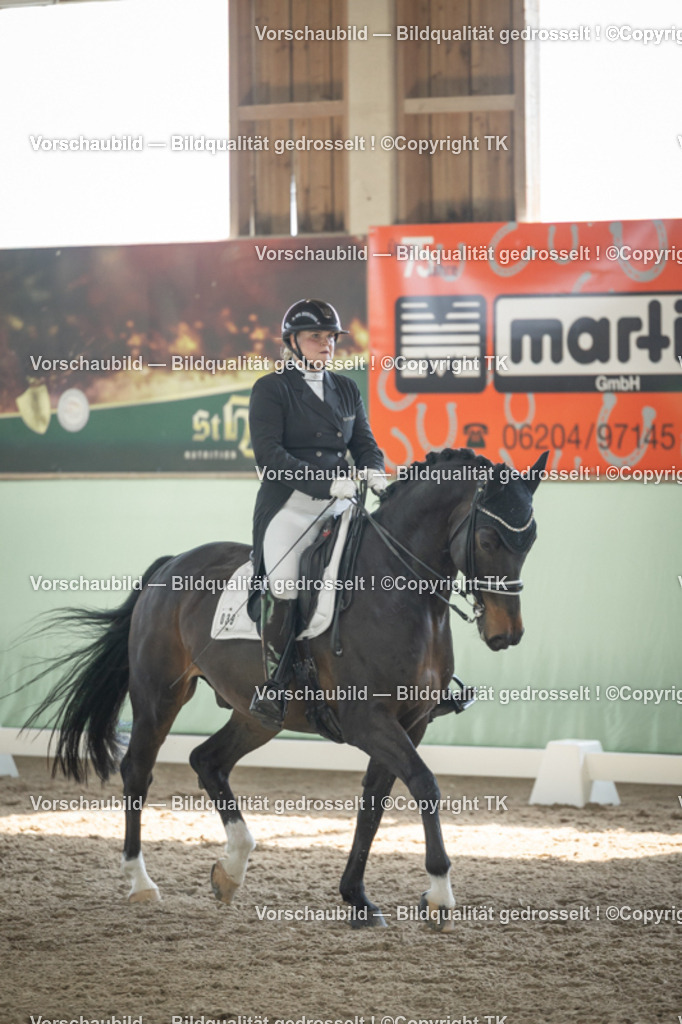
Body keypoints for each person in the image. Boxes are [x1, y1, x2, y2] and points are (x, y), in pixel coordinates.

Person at [247, 299, 386, 730]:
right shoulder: (272, 389)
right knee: (286, 582)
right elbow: (270, 456)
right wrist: (326, 483)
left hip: (341, 502)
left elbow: (364, 443)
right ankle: (276, 682)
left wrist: (376, 473)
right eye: (315, 337)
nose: (326, 345)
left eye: (330, 338)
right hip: (290, 506)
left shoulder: (346, 389)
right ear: (292, 342)